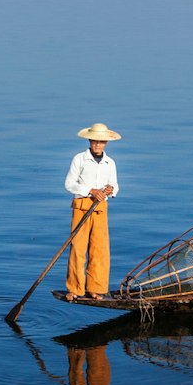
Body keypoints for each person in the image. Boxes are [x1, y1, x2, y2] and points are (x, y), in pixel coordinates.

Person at [65, 122, 122, 298]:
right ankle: (74, 290)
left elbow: (115, 185)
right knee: (78, 248)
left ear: (106, 143)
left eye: (101, 141)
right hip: (82, 206)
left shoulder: (109, 163)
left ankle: (95, 289)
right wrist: (90, 190)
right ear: (89, 141)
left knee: (100, 249)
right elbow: (69, 184)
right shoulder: (79, 159)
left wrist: (111, 190)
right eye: (95, 141)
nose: (98, 144)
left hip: (100, 208)